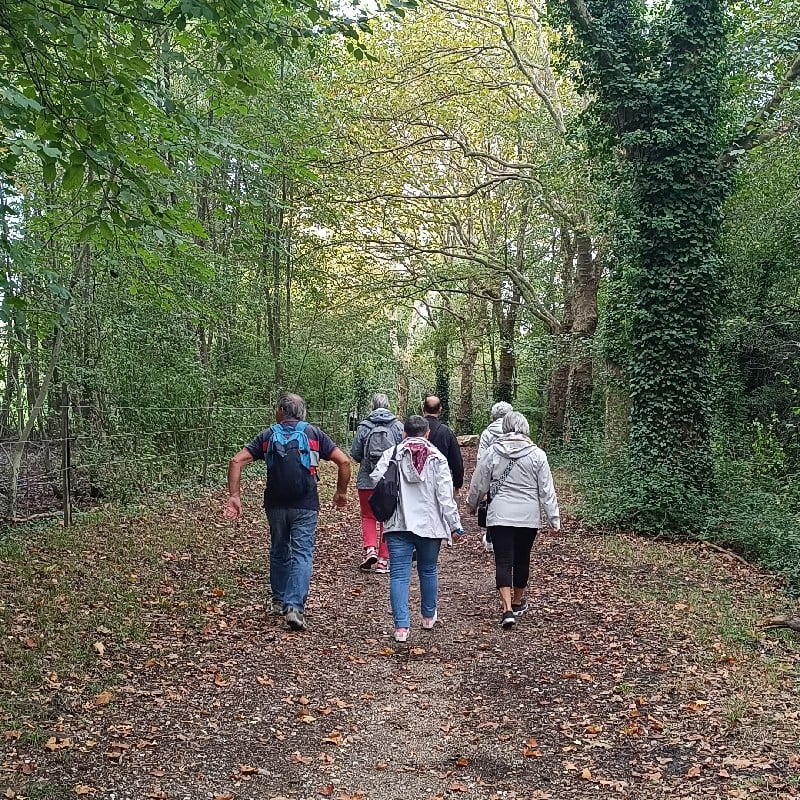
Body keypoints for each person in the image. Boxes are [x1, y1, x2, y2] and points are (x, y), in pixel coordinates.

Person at [223, 393, 351, 632]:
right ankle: (294, 608)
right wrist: (340, 493)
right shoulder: (314, 433)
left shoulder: (268, 434)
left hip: (275, 503)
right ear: (301, 411)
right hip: (306, 504)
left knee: (279, 548)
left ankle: (278, 601)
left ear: (281, 410)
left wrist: (234, 497)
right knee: (302, 553)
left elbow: (236, 461)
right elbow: (343, 462)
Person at [370, 415, 464, 643]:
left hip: (398, 524)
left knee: (399, 575)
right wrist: (455, 525)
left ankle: (401, 627)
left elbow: (375, 479)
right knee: (429, 569)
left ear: (404, 432)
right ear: (427, 433)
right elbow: (445, 496)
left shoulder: (392, 454)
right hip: (430, 525)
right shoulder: (437, 458)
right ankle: (428, 616)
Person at [466, 411, 560, 630]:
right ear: (525, 428)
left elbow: (479, 482)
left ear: (504, 428)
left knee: (503, 561)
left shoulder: (493, 452)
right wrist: (553, 518)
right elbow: (546, 490)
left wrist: (472, 505)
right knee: (522, 558)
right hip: (528, 516)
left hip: (500, 514)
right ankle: (518, 601)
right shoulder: (538, 455)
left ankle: (507, 609)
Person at [350, 393, 404, 573]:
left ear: (372, 406)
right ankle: (383, 561)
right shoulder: (397, 426)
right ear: (388, 406)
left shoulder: (364, 426)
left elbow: (356, 453)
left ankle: (370, 549)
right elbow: (403, 452)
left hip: (366, 479)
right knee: (388, 518)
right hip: (389, 480)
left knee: (368, 515)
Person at [476, 401, 513, 554]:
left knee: (492, 506)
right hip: (513, 474)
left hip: (493, 476)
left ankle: (491, 539)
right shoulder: (515, 431)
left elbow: (481, 457)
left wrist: (481, 479)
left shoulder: (487, 433)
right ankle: (510, 538)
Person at [421, 395, 464, 492]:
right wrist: (457, 482)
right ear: (440, 410)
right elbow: (455, 459)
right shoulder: (446, 432)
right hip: (439, 481)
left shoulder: (412, 429)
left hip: (414, 481)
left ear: (423, 409)